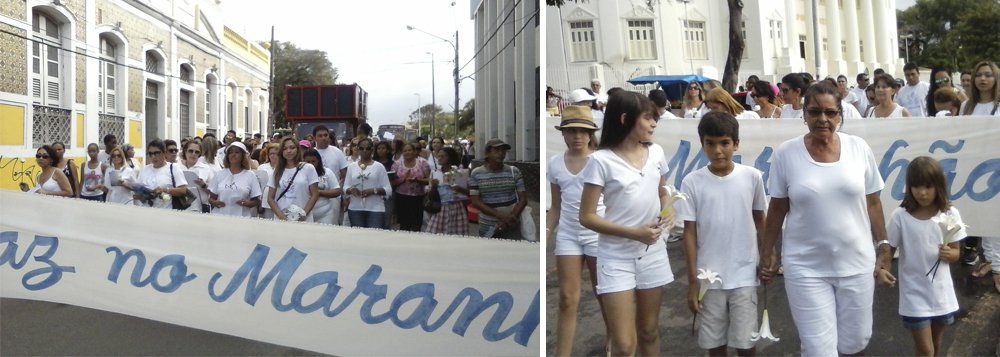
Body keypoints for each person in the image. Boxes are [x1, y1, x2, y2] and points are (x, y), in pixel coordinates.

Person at [758, 81, 892, 355]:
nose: (822, 119)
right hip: (806, 268)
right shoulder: (786, 153)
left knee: (856, 343)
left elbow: (874, 203)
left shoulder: (859, 148)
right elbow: (777, 208)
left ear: (840, 114)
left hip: (856, 264)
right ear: (804, 114)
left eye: (830, 113)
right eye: (815, 112)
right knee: (819, 349)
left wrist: (884, 247)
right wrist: (767, 250)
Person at [578, 91, 673, 356]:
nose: (654, 123)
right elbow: (586, 216)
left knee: (649, 331)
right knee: (623, 343)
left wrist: (668, 210)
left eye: (655, 118)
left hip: (652, 253)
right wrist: (634, 233)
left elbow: (662, 190)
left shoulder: (656, 152)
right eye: (647, 118)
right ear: (624, 119)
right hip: (615, 257)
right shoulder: (600, 160)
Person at [679, 112, 766, 357]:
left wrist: (768, 256)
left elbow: (761, 219)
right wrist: (693, 280)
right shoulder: (691, 182)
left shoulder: (752, 177)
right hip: (709, 277)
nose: (717, 151)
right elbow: (689, 233)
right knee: (714, 344)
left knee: (746, 343)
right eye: (710, 144)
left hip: (744, 273)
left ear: (736, 144)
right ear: (702, 144)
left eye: (724, 143)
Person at [877, 156, 965, 357]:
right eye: (916, 187)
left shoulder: (949, 214)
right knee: (926, 350)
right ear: (909, 187)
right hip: (914, 294)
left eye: (928, 186)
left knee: (935, 344)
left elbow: (956, 251)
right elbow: (888, 248)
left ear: (938, 186)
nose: (922, 192)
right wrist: (882, 270)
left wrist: (949, 254)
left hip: (941, 294)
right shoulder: (901, 216)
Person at [546, 106, 608, 356]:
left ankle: (614, 339)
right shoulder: (554, 163)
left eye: (583, 131)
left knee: (604, 294)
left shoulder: (602, 160)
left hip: (598, 234)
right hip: (568, 236)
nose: (577, 136)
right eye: (571, 131)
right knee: (567, 299)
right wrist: (547, 233)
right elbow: (556, 207)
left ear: (591, 133)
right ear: (563, 133)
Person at [958, 61, 1000, 279]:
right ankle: (990, 260)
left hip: (996, 167)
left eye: (988, 75)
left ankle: (997, 265)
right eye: (979, 75)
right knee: (982, 214)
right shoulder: (967, 107)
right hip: (974, 167)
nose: (983, 79)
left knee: (996, 215)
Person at [469, 138, 528, 240]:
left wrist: (510, 218)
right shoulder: (476, 173)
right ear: (487, 153)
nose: (501, 153)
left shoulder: (514, 171)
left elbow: (523, 199)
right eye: (497, 150)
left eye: (503, 150)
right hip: (488, 225)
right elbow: (475, 201)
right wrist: (500, 216)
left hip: (512, 224)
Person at [267, 137, 320, 222]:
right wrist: (281, 216)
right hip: (282, 218)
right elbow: (270, 198)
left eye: (292, 147)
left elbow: (315, 195)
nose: (288, 151)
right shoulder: (277, 171)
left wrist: (303, 214)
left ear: (297, 149)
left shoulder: (308, 168)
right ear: (281, 152)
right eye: (285, 149)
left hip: (303, 218)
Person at [342, 138, 392, 229]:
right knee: (358, 237)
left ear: (372, 150)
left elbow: (388, 190)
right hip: (355, 208)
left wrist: (373, 191)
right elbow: (345, 187)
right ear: (357, 149)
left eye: (368, 148)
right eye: (361, 148)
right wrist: (351, 190)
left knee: (374, 237)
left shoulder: (379, 167)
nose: (364, 151)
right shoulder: (352, 167)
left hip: (375, 209)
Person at [208, 142, 262, 217]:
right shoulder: (219, 174)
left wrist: (247, 203)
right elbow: (211, 198)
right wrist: (215, 203)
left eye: (237, 152)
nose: (233, 155)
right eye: (231, 153)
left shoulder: (250, 175)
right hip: (220, 217)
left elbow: (256, 200)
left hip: (241, 218)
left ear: (243, 155)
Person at [425, 147, 471, 236]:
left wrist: (459, 189)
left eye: (443, 156)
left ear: (450, 158)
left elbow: (469, 192)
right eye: (439, 156)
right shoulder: (435, 173)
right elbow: (431, 196)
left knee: (457, 236)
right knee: (435, 236)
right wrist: (434, 187)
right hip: (440, 209)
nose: (440, 158)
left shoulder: (460, 173)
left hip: (457, 208)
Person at [135, 139, 189, 210]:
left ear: (164, 153)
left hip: (167, 212)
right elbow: (137, 194)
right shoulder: (145, 170)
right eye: (150, 154)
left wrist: (164, 190)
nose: (153, 156)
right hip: (147, 212)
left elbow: (183, 190)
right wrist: (144, 195)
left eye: (156, 153)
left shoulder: (173, 168)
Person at [390, 142, 430, 231]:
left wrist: (417, 180)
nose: (407, 152)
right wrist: (403, 179)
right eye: (405, 151)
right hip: (402, 198)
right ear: (402, 153)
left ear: (414, 151)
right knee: (404, 225)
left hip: (418, 198)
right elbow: (392, 182)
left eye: (409, 150)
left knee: (417, 225)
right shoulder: (396, 164)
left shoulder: (422, 162)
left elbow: (429, 180)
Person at [301, 148, 342, 225]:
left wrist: (319, 192)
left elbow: (337, 191)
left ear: (318, 161)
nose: (311, 164)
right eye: (308, 162)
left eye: (313, 161)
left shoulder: (327, 172)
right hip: (305, 214)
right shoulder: (299, 173)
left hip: (325, 214)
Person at [179, 140, 213, 213]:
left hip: (199, 208)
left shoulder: (205, 168)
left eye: (197, 152)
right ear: (185, 151)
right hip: (179, 206)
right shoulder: (177, 166)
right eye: (190, 151)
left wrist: (203, 185)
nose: (193, 154)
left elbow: (213, 191)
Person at [256, 142, 280, 219]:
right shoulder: (262, 167)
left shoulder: (285, 168)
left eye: (276, 153)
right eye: (271, 154)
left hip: (280, 200)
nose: (273, 156)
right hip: (265, 201)